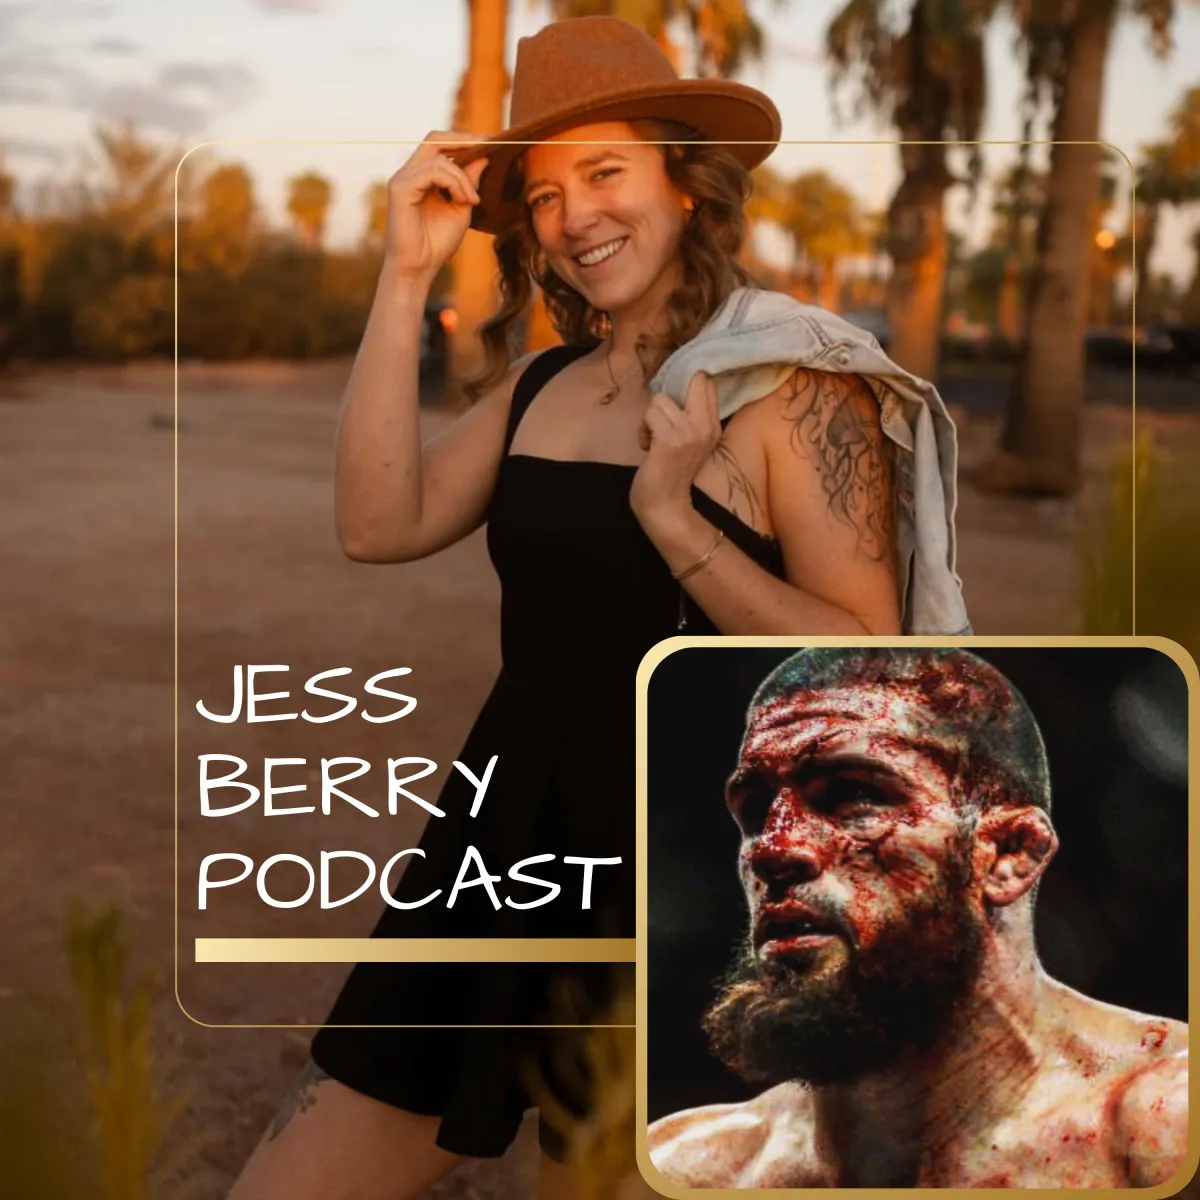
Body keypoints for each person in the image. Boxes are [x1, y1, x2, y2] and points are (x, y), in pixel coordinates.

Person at [227, 15, 915, 1200]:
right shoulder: (545, 383)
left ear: (686, 185)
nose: (575, 216)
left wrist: (674, 518)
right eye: (544, 195)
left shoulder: (792, 386)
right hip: (506, 842)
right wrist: (405, 275)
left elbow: (862, 661)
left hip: (693, 859)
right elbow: (375, 522)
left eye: (606, 173)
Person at [648, 647, 1190, 1190]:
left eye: (853, 794)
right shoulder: (690, 1170)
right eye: (755, 809)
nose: (774, 847)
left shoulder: (1166, 1124)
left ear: (1008, 853)